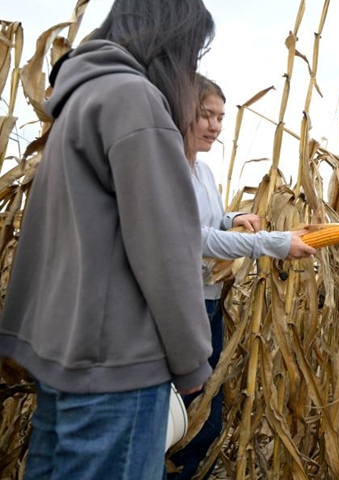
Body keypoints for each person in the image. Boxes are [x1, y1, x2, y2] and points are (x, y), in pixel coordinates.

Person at [0, 1, 216, 478]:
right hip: (119, 362)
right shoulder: (134, 101)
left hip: (66, 351)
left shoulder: (82, 97)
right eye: (192, 53)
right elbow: (166, 251)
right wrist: (193, 361)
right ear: (171, 41)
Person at [167, 75, 315, 480]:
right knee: (184, 417)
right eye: (205, 116)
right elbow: (192, 238)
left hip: (211, 303)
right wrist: (276, 243)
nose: (214, 126)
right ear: (181, 112)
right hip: (182, 308)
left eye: (220, 117)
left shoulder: (204, 171)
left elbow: (211, 222)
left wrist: (235, 218)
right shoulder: (167, 169)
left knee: (205, 414)